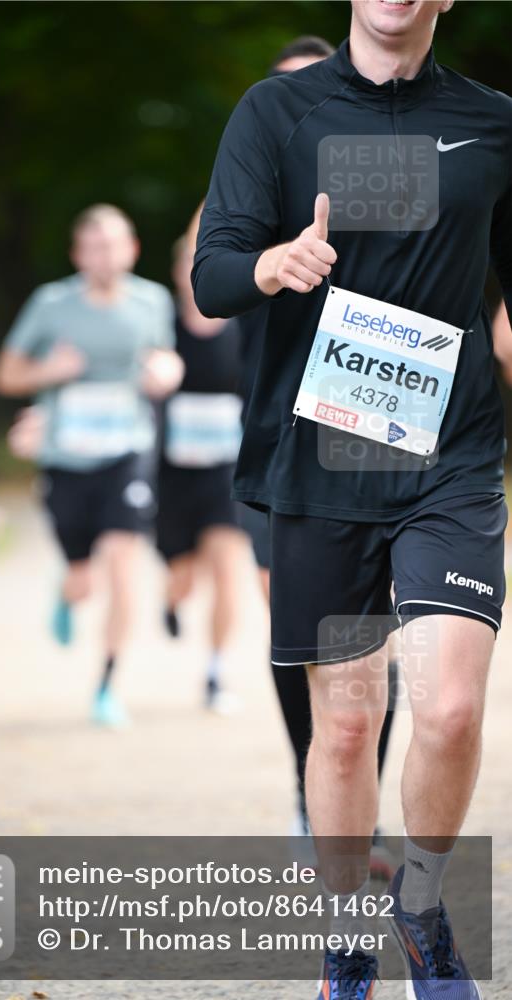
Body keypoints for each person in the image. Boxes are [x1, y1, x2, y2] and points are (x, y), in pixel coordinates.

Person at [193, 1, 510, 996]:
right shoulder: (275, 112)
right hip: (323, 456)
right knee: (344, 721)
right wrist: (271, 263)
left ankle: (419, 905)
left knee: (450, 707)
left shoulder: (493, 120)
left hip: (451, 452)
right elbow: (211, 277)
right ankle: (344, 937)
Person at [237, 34, 398, 869]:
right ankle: (314, 789)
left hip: (369, 431)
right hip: (273, 447)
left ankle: (352, 796)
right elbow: (206, 288)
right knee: (297, 632)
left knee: (377, 633)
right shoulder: (250, 181)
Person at [0, 204, 183, 727]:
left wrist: (167, 371)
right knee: (84, 582)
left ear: (133, 249)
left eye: (114, 244)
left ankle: (106, 685)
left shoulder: (152, 301)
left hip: (127, 452)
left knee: (124, 563)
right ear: (78, 254)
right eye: (93, 246)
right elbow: (5, 375)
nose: (104, 256)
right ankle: (68, 588)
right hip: (66, 458)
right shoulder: (52, 304)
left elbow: (162, 360)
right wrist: (51, 370)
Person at [157, 227, 249, 713]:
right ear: (177, 273)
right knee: (184, 575)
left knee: (227, 568)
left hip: (226, 471)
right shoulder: (160, 328)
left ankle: (216, 671)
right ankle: (171, 599)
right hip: (171, 474)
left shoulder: (242, 326)